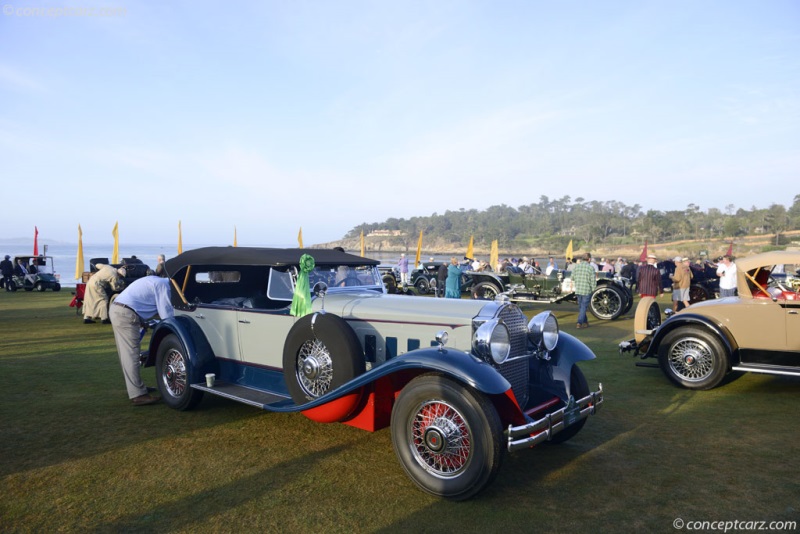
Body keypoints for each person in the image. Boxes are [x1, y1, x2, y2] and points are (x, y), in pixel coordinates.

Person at [109, 275, 174, 406]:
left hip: (119, 309)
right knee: (131, 355)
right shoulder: (164, 286)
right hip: (126, 314)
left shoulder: (156, 280)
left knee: (127, 354)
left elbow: (142, 302)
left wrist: (144, 320)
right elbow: (167, 315)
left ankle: (137, 388)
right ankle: (138, 394)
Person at [572, 253, 596, 329]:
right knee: (583, 307)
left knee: (581, 307)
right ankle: (579, 322)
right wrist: (593, 290)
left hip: (578, 289)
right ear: (589, 259)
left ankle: (585, 322)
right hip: (586, 290)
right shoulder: (590, 268)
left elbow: (572, 277)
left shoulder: (576, 267)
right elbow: (593, 281)